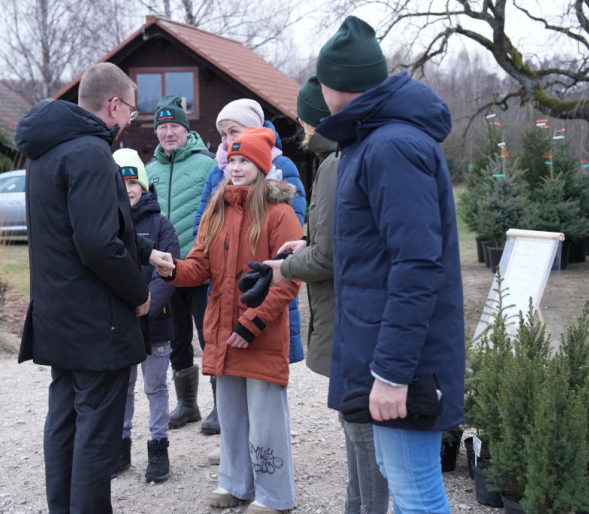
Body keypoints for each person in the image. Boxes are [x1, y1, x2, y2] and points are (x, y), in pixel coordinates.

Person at [315, 16, 466, 514]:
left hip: (404, 364)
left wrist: (392, 373)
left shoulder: (391, 146)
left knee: (417, 494)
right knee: (405, 492)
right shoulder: (372, 140)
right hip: (385, 352)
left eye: (323, 81)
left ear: (341, 86)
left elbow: (417, 266)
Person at [14, 62, 174, 512]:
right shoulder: (88, 152)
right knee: (94, 436)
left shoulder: (48, 150)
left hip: (59, 317)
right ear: (113, 104)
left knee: (63, 421)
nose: (130, 121)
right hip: (94, 324)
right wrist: (139, 294)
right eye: (130, 110)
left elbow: (77, 230)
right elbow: (97, 244)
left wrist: (146, 252)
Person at [157, 127, 303, 514]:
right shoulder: (216, 207)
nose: (236, 167)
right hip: (222, 331)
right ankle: (235, 484)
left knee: (266, 417)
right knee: (233, 416)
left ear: (261, 165)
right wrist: (173, 269)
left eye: (245, 161)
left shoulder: (280, 213)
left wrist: (251, 323)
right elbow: (200, 265)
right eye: (232, 160)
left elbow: (289, 278)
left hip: (260, 333)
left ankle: (273, 496)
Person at [265, 75, 389, 514]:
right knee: (354, 421)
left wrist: (286, 268)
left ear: (310, 120)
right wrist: (306, 245)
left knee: (360, 425)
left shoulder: (337, 163)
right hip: (351, 311)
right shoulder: (338, 157)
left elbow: (333, 257)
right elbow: (336, 241)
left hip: (350, 314)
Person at [146, 95, 218, 433]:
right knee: (176, 339)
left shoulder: (207, 163)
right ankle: (188, 404)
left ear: (186, 130)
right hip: (167, 269)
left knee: (209, 336)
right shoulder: (150, 171)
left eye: (174, 126)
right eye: (162, 127)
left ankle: (222, 406)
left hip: (202, 269)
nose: (168, 133)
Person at [111, 148, 180, 483]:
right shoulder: (107, 225)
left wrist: (149, 303)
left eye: (132, 180)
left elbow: (168, 269)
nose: (128, 188)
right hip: (121, 323)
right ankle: (121, 446)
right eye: (120, 181)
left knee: (155, 387)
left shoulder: (161, 224)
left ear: (142, 183)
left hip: (155, 322)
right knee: (122, 388)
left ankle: (158, 446)